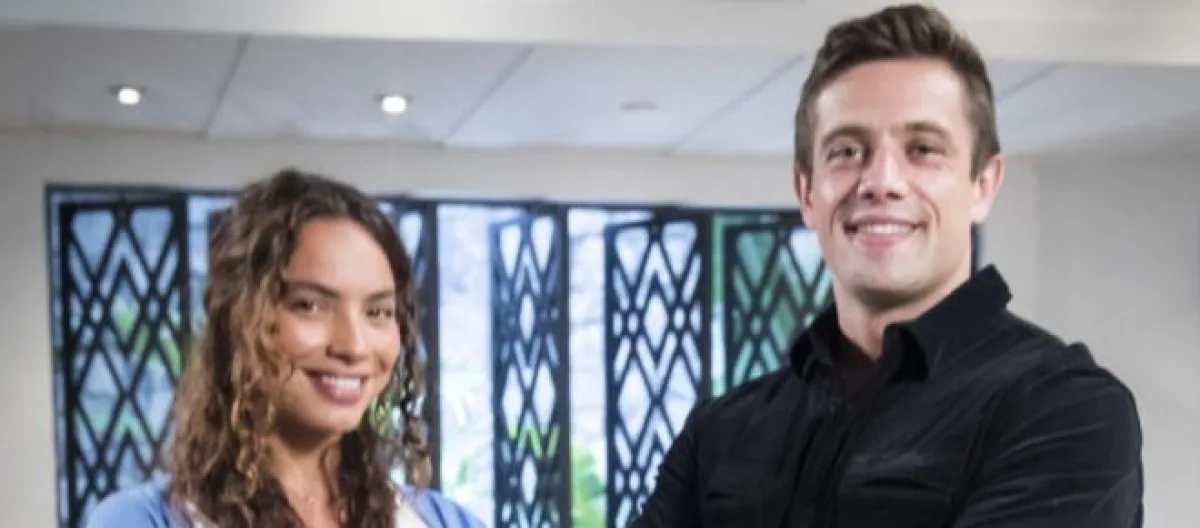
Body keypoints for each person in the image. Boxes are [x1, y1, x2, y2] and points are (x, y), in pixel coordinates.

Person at [632, 4, 1142, 528]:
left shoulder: (1065, 409)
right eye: (848, 151)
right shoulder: (721, 432)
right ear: (806, 192)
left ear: (983, 185)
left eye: (923, 149)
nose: (881, 182)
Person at [85, 170, 484, 527]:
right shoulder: (141, 521)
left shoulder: (443, 521)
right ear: (240, 318)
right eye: (309, 306)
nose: (354, 346)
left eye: (378, 312)